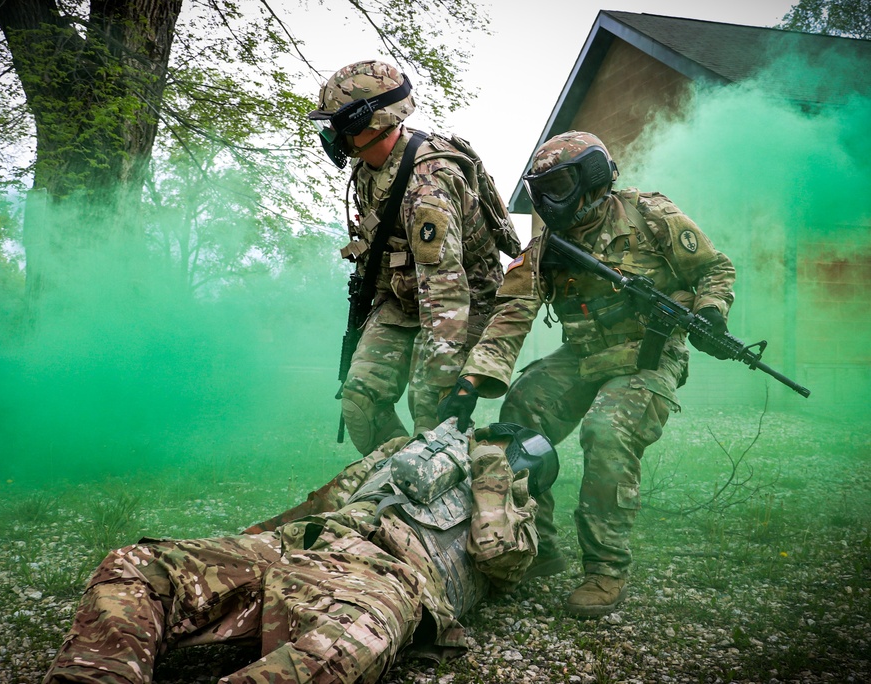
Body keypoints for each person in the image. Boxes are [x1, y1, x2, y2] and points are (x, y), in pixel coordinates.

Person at [439, 131, 736, 618]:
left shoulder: (649, 214)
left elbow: (714, 268)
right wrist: (471, 382)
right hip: (582, 354)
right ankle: (536, 543)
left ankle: (605, 569)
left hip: (649, 353)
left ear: (592, 177)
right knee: (521, 408)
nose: (551, 198)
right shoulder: (545, 248)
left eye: (560, 184)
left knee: (607, 430)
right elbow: (511, 314)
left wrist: (711, 312)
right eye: (543, 188)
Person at [42, 419, 558, 684]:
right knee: (139, 565)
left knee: (347, 649)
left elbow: (496, 555)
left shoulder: (517, 520)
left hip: (388, 579)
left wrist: (495, 481)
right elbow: (329, 496)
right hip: (306, 542)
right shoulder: (417, 452)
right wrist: (243, 544)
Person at [310, 59, 517, 456]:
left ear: (370, 124)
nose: (330, 136)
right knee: (359, 401)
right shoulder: (370, 167)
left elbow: (447, 290)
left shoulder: (427, 185)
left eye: (336, 125)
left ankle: (451, 489)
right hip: (405, 299)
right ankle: (400, 481)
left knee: (433, 417)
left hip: (457, 304)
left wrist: (447, 381)